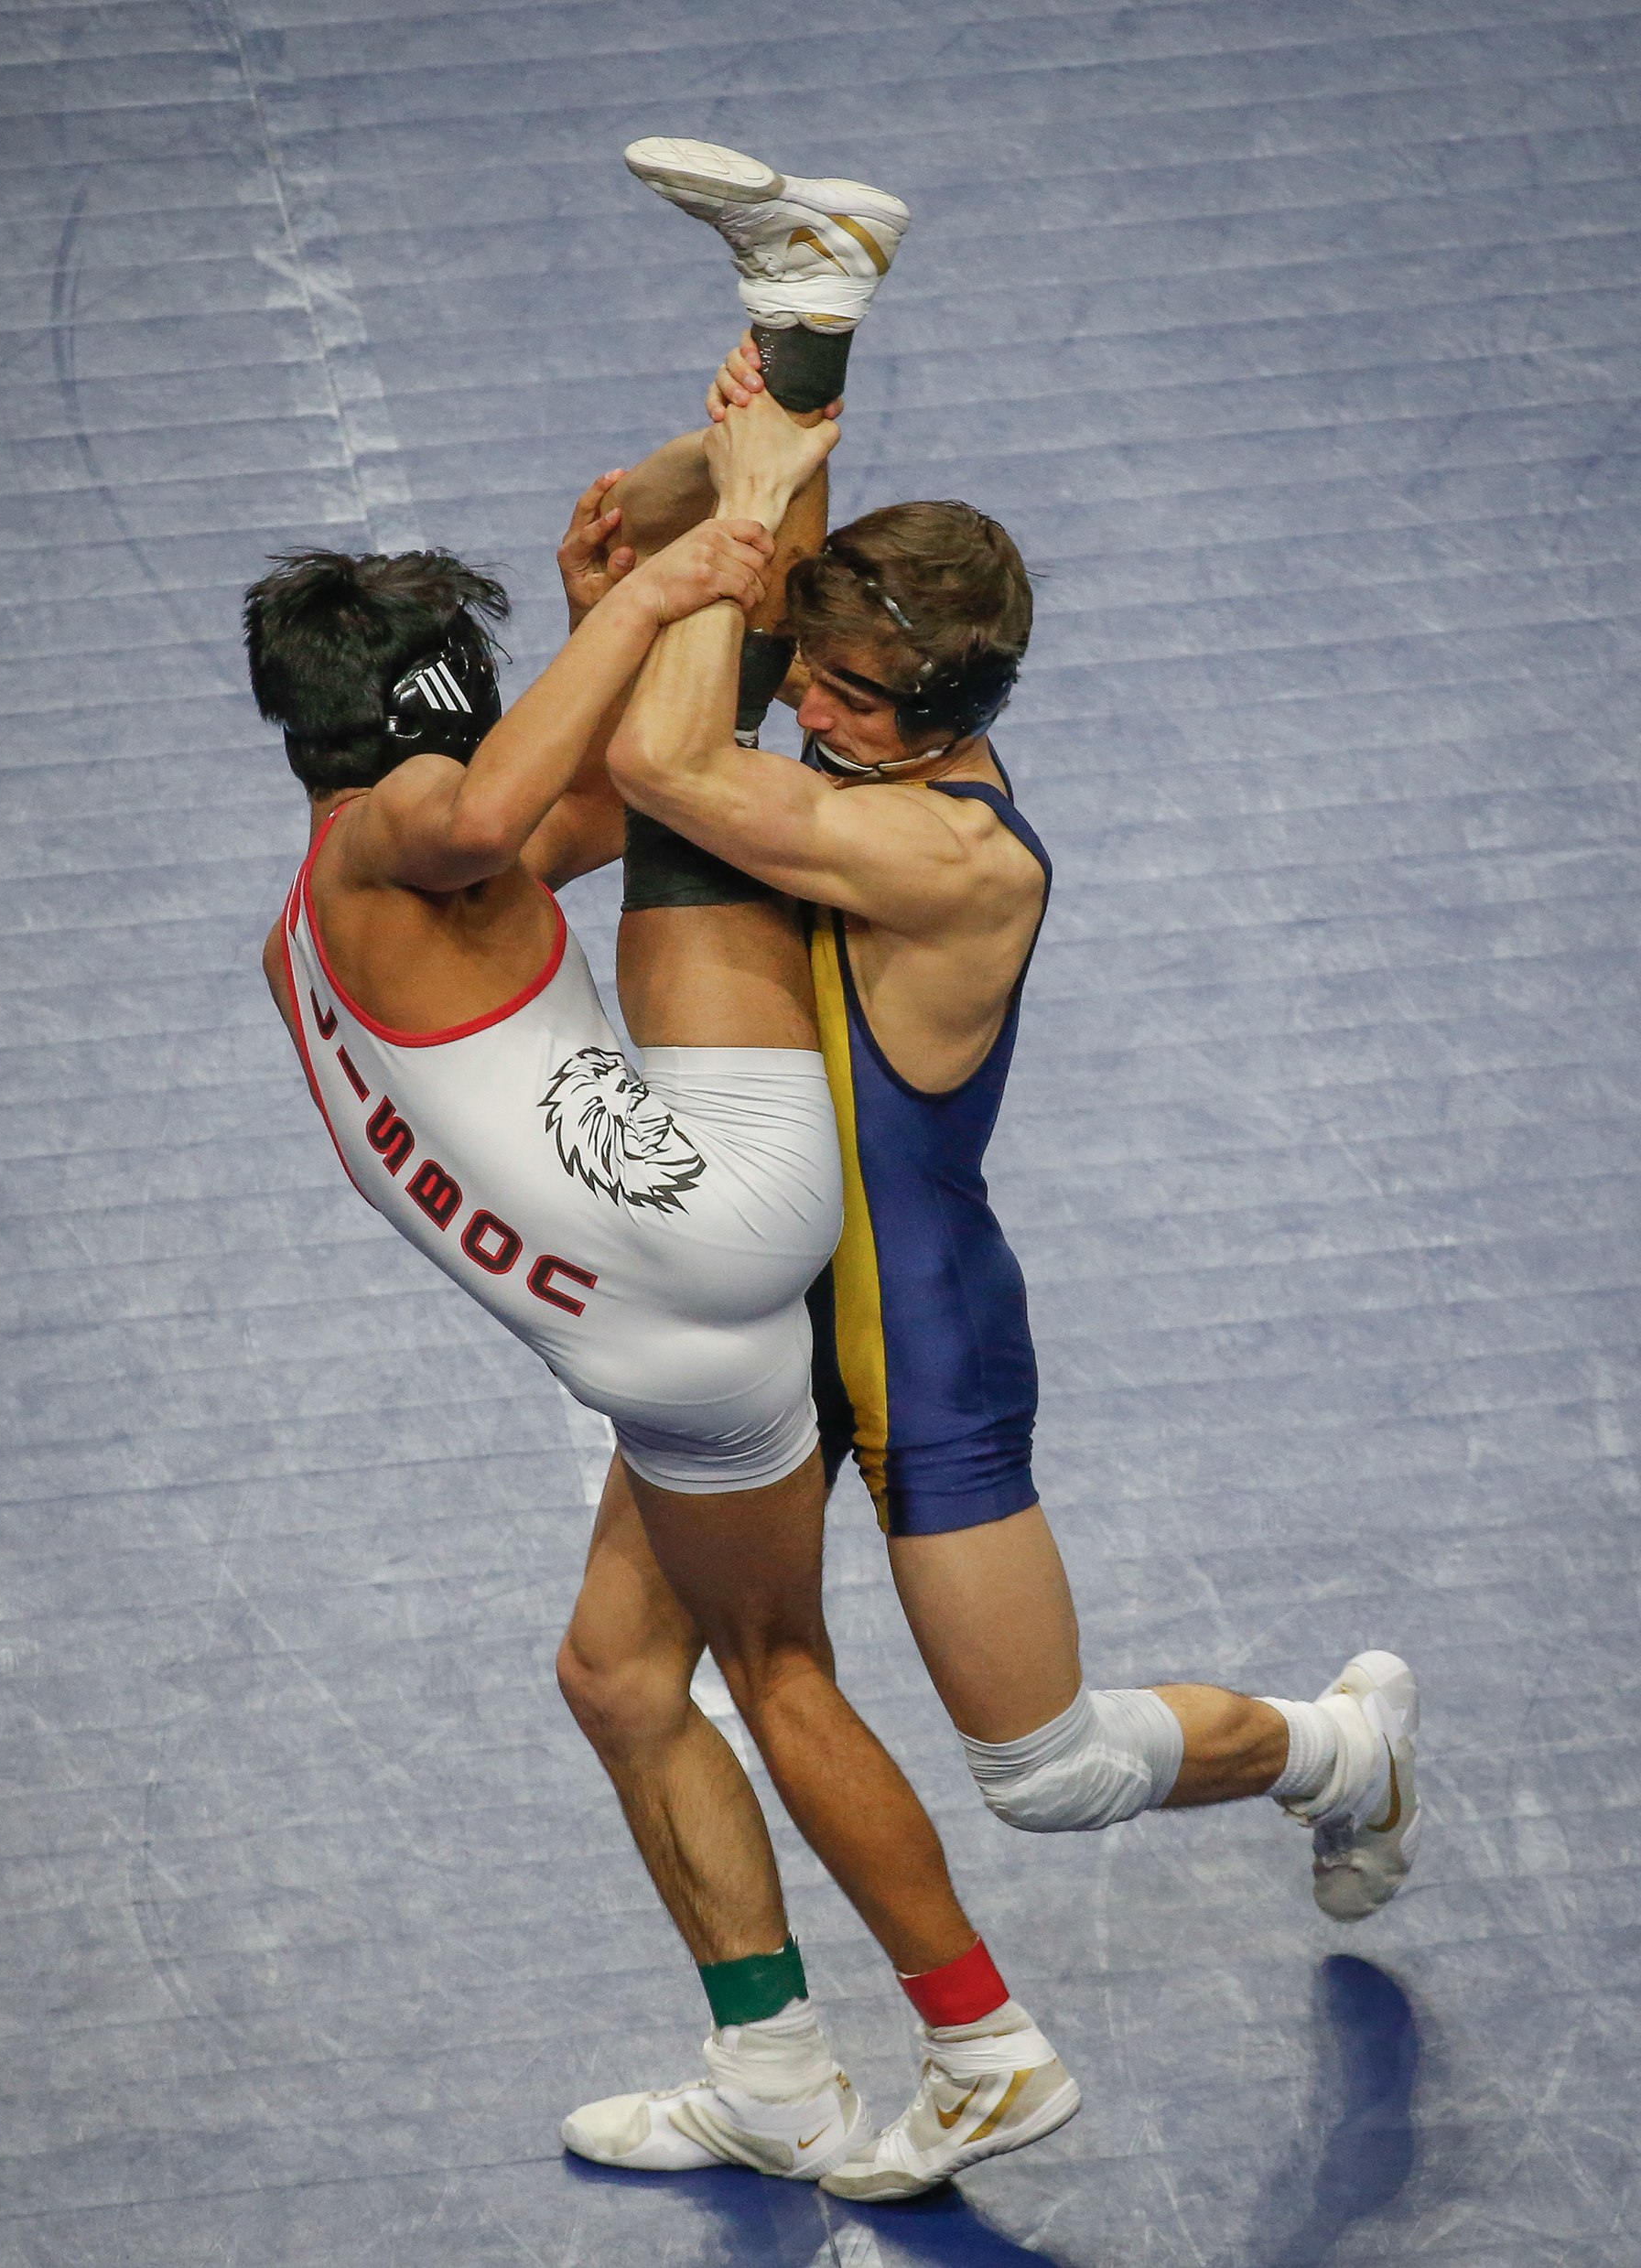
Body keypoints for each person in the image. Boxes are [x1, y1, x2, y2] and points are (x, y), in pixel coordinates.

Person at [565, 136, 1423, 2204]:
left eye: (854, 698)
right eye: (818, 674)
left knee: (1045, 1774)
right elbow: (679, 606)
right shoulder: (850, 769)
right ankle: (767, 2061)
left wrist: (748, 512)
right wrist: (745, 442)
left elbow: (670, 760)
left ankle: (1337, 1749)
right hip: (749, 1319)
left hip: (926, 1354)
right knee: (616, 1668)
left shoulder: (948, 849)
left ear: (944, 713)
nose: (819, 713)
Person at [245, 366, 1077, 2192]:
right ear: (438, 728)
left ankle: (979, 2036)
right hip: (700, 1260)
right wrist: (692, 561)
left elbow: (596, 780)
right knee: (639, 1677)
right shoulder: (440, 840)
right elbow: (594, 783)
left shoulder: (319, 918)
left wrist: (694, 558)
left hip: (650, 1313)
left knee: (737, 1672)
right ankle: (782, 2070)